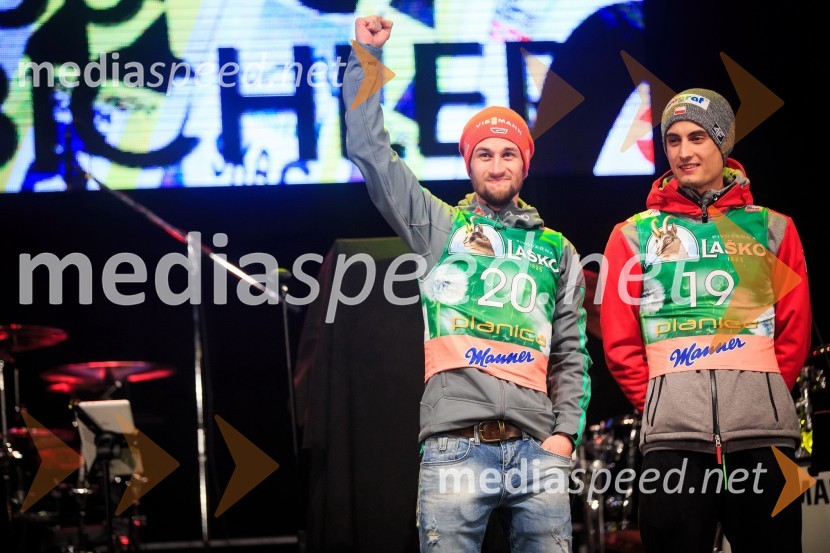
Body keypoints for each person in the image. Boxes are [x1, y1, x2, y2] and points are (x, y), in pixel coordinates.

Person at [343, 15, 592, 553]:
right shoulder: (439, 229)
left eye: (508, 154)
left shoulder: (558, 250)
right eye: (485, 153)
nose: (497, 165)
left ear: (525, 165)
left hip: (538, 450)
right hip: (455, 450)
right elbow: (370, 152)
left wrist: (564, 435)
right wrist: (367, 54)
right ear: (469, 163)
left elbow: (573, 355)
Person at [600, 88, 812, 552]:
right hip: (673, 441)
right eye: (673, 140)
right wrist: (659, 404)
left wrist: (766, 398)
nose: (684, 151)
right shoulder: (633, 235)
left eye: (697, 137)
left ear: (724, 142)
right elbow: (619, 342)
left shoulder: (773, 228)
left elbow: (794, 333)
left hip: (764, 437)